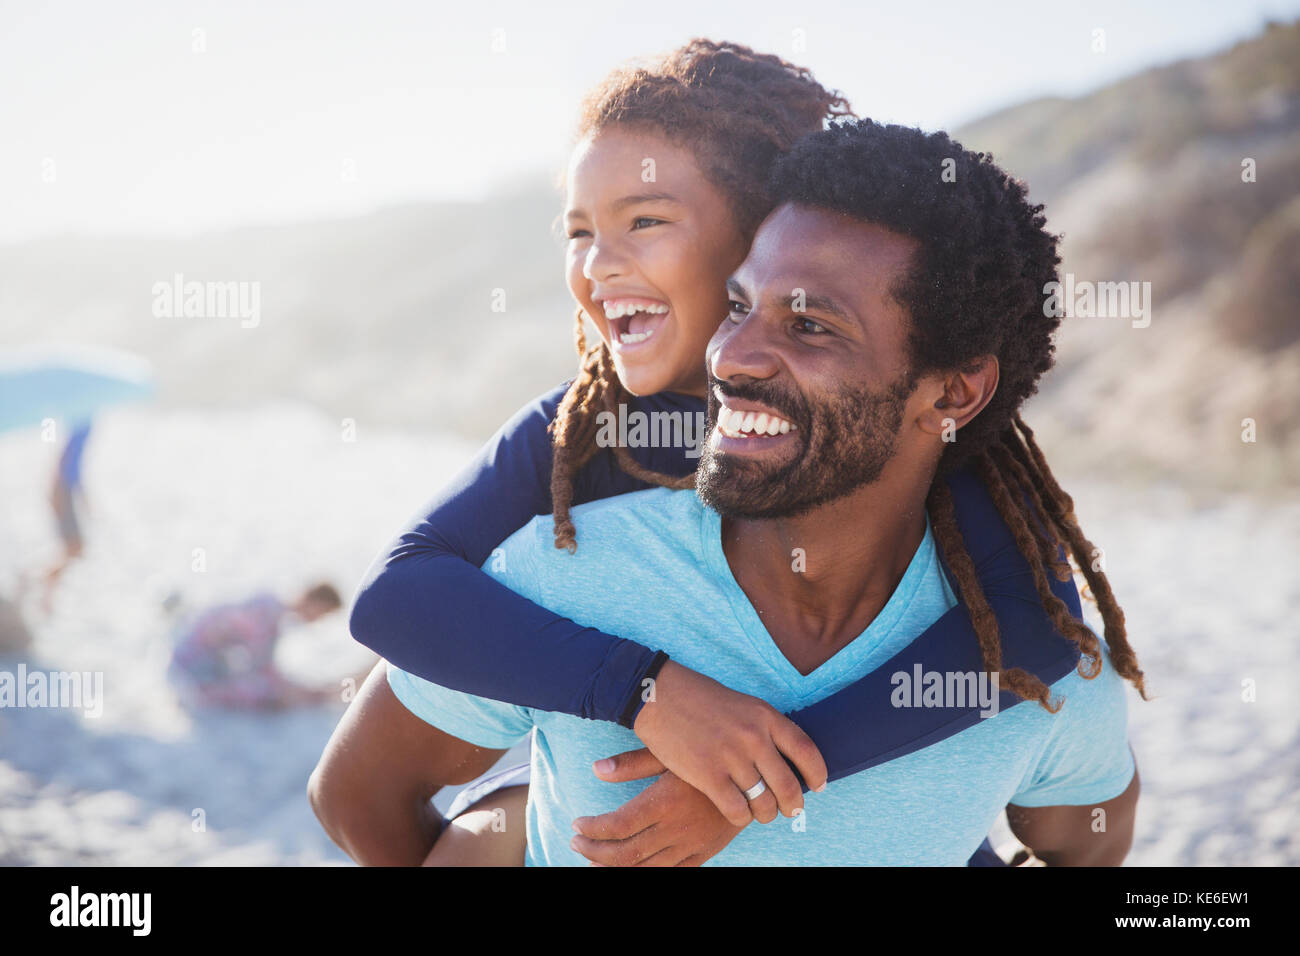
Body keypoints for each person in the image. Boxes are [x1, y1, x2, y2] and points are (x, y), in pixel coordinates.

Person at [312, 43, 1109, 866]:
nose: (596, 263)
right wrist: (646, 691)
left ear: (767, 227)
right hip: (570, 793)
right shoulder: (587, 431)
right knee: (490, 837)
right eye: (578, 231)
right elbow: (397, 597)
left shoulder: (901, 435)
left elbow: (1036, 636)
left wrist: (767, 772)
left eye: (644, 219)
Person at [168, 582, 349, 710]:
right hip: (194, 664)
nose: (317, 620)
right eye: (322, 613)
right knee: (265, 690)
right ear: (314, 602)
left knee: (274, 689)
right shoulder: (268, 610)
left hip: (200, 659)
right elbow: (251, 656)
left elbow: (259, 660)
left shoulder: (273, 611)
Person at [41, 418, 92, 613]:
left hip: (64, 489)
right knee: (74, 547)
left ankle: (43, 586)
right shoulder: (84, 421)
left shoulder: (85, 418)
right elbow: (67, 463)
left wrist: (84, 495)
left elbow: (73, 465)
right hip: (63, 491)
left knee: (74, 548)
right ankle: (45, 588)